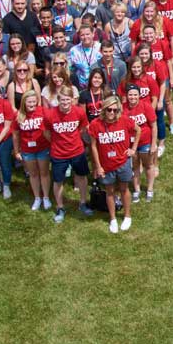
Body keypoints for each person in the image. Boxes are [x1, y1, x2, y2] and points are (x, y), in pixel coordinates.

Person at [87, 95, 139, 234]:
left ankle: (127, 216)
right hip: (106, 165)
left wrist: (133, 149)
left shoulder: (124, 120)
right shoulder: (95, 124)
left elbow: (138, 130)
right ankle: (113, 219)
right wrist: (98, 166)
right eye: (109, 110)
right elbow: (93, 147)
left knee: (124, 189)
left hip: (122, 162)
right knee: (109, 191)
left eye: (115, 110)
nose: (112, 113)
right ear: (104, 109)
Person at [43, 86, 94, 223]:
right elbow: (46, 133)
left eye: (67, 100)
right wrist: (57, 142)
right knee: (58, 181)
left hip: (77, 151)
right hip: (58, 153)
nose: (65, 102)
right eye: (62, 100)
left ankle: (83, 203)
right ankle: (60, 207)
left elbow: (83, 128)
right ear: (58, 100)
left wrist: (73, 139)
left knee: (82, 177)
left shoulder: (79, 112)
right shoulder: (49, 114)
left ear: (72, 100)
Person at [14, 91, 52, 211]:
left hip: (43, 148)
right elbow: (15, 135)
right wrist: (16, 151)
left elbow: (51, 127)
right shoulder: (19, 115)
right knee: (33, 174)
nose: (31, 104)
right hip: (27, 150)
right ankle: (37, 197)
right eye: (29, 101)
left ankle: (46, 197)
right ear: (24, 102)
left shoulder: (43, 111)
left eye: (33, 101)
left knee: (44, 173)